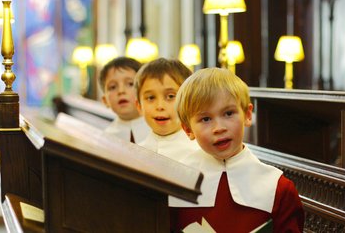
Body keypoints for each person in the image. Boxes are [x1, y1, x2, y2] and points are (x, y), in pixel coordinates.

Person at [170, 68, 304, 232]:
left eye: (228, 113)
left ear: (247, 115)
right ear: (188, 129)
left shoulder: (278, 188)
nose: (219, 128)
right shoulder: (173, 183)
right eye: (205, 119)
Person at [134, 57, 200, 161]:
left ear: (189, 102)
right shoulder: (135, 153)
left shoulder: (199, 154)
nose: (160, 106)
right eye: (151, 98)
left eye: (170, 96)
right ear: (139, 106)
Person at [99, 57, 150, 143]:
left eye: (130, 84)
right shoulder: (106, 139)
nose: (121, 91)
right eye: (113, 87)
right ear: (105, 101)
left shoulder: (159, 130)